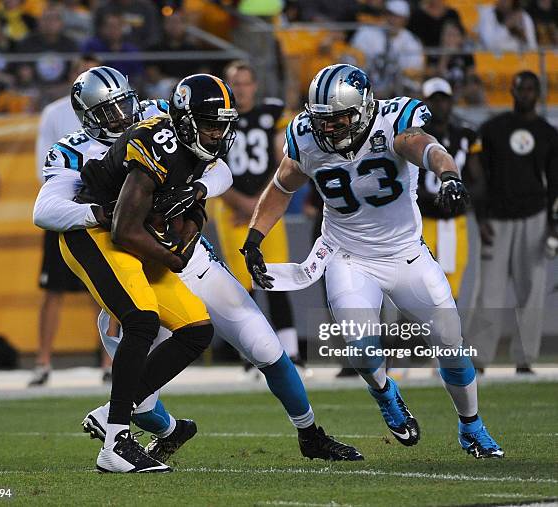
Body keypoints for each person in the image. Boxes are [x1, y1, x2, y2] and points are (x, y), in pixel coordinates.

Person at [33, 70, 363, 464]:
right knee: (139, 398)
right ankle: (156, 428)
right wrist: (103, 213)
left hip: (186, 256)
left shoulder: (162, 116)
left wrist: (197, 193)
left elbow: (220, 168)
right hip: (131, 259)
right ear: (86, 116)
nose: (122, 116)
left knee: (265, 346)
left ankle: (311, 434)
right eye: (109, 111)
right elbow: (47, 209)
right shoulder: (71, 150)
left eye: (124, 104)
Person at [241, 63, 504, 459]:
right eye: (322, 120)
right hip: (348, 256)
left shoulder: (393, 121)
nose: (328, 129)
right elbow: (282, 184)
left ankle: (472, 426)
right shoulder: (306, 138)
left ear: (364, 108)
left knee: (451, 346)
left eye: (339, 119)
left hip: (405, 253)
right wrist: (255, 235)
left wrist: (449, 175)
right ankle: (384, 392)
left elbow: (426, 147)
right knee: (360, 346)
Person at [58, 72, 233, 473]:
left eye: (222, 126)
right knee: (140, 321)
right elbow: (123, 228)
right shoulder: (157, 143)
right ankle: (115, 442)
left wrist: (192, 215)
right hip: (94, 235)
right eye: (209, 126)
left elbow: (191, 194)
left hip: (129, 236)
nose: (216, 135)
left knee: (196, 329)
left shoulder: (191, 148)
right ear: (187, 124)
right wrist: (173, 257)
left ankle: (112, 414)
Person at [470, 71, 558, 373]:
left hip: (534, 217)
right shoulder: (493, 129)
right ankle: (479, 359)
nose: (526, 94)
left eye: (532, 89)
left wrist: (554, 223)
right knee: (489, 293)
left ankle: (525, 359)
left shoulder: (549, 133)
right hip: (496, 218)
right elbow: (479, 178)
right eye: (521, 88)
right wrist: (480, 217)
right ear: (512, 90)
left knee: (532, 292)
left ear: (538, 92)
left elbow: (556, 183)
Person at [216, 61, 302, 367]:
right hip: (230, 208)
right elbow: (209, 167)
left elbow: (284, 160)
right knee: (242, 286)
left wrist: (259, 203)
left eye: (245, 82)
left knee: (275, 277)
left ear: (255, 85)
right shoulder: (217, 116)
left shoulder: (271, 114)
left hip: (265, 205)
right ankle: (251, 354)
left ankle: (291, 352)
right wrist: (242, 203)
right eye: (234, 83)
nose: (240, 89)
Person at [30, 54, 104, 387]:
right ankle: (43, 362)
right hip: (68, 211)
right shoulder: (55, 112)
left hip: (102, 213)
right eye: (81, 73)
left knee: (106, 289)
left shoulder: (113, 112)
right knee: (52, 290)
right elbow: (44, 169)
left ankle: (110, 362)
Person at [415, 77, 484, 301]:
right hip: (422, 220)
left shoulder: (464, 134)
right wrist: (428, 197)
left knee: (450, 289)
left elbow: (478, 179)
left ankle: (447, 335)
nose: (439, 105)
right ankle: (415, 336)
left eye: (443, 100)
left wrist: (462, 198)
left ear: (451, 102)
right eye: (433, 100)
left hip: (455, 221)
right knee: (419, 288)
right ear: (423, 103)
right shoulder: (410, 137)